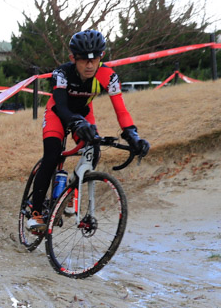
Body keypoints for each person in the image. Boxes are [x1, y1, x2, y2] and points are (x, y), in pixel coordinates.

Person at [27, 29, 150, 232]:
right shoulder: (62, 73)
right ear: (73, 58)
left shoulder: (108, 76)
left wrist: (133, 135)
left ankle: (70, 193)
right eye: (84, 60)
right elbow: (61, 104)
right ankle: (36, 211)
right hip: (58, 113)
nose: (90, 65)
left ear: (102, 57)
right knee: (51, 155)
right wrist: (75, 122)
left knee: (94, 150)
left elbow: (121, 109)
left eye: (95, 59)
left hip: (84, 114)